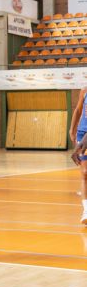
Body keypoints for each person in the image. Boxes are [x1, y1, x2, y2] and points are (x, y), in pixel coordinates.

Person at [68, 87, 87, 226]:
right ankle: (86, 211)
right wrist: (72, 129)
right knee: (85, 173)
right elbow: (78, 110)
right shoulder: (84, 90)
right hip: (83, 133)